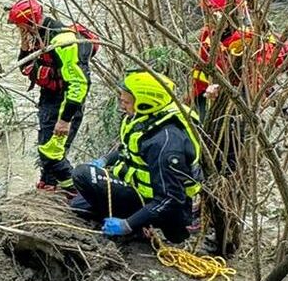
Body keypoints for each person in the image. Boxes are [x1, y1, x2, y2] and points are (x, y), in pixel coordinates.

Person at [70, 69, 201, 244]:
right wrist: (105, 160)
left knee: (82, 174)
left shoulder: (166, 143)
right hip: (139, 190)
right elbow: (130, 151)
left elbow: (171, 198)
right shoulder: (148, 119)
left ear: (146, 103)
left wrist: (127, 224)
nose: (122, 105)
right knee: (78, 206)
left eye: (126, 102)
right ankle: (124, 213)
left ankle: (137, 226)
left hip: (161, 208)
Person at [6, 0, 96, 192]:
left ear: (30, 22)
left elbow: (79, 83)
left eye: (20, 26)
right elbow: (25, 66)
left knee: (52, 154)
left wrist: (65, 119)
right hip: (49, 98)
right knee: (45, 147)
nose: (18, 29)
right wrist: (24, 41)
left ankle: (77, 190)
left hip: (65, 102)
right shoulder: (39, 35)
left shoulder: (62, 42)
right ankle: (49, 186)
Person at [190, 0, 250, 122]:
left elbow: (250, 77)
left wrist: (220, 87)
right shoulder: (208, 33)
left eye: (213, 14)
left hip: (234, 96)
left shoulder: (246, 38)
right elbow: (200, 65)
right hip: (203, 92)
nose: (208, 19)